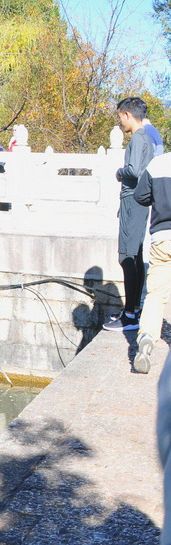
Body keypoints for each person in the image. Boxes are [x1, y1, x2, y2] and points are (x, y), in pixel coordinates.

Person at [112, 96, 164, 331]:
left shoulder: (138, 137)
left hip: (132, 200)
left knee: (126, 256)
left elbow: (134, 170)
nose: (121, 122)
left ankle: (130, 315)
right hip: (139, 201)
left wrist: (120, 172)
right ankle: (134, 308)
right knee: (135, 254)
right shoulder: (147, 137)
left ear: (127, 115)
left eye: (121, 117)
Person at [124, 141, 171, 372]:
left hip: (162, 236)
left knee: (156, 294)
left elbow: (140, 196)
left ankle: (147, 337)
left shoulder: (158, 163)